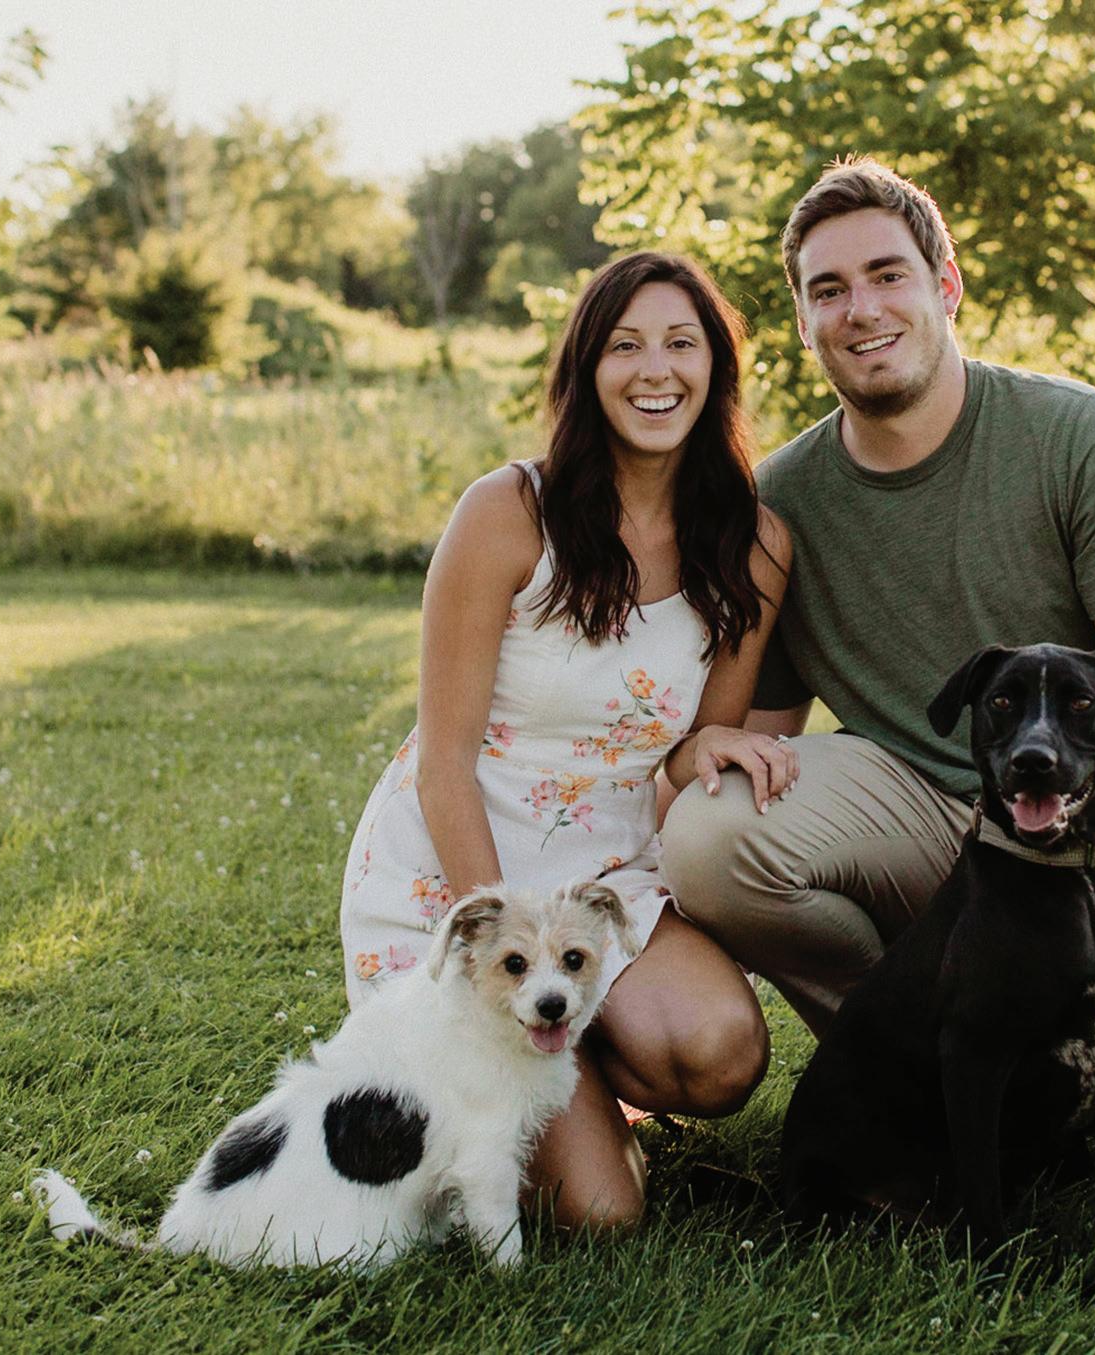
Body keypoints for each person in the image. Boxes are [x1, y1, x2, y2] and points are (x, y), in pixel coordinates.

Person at [660, 157, 1095, 1155]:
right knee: (711, 840)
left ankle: (1028, 1055)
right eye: (828, 290)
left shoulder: (1082, 439)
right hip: (916, 809)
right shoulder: (780, 505)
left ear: (946, 284)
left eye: (887, 274)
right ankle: (921, 1056)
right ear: (802, 322)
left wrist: (1061, 874)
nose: (861, 309)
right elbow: (759, 738)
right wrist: (683, 767)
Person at [340, 251, 798, 1230]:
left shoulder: (755, 544)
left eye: (681, 344)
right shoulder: (507, 513)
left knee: (719, 1053)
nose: (655, 370)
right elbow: (443, 761)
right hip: (460, 868)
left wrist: (715, 752)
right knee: (600, 1211)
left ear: (716, 367)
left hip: (606, 871)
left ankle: (583, 1056)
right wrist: (502, 944)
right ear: (587, 369)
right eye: (625, 346)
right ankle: (558, 1095)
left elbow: (692, 740)